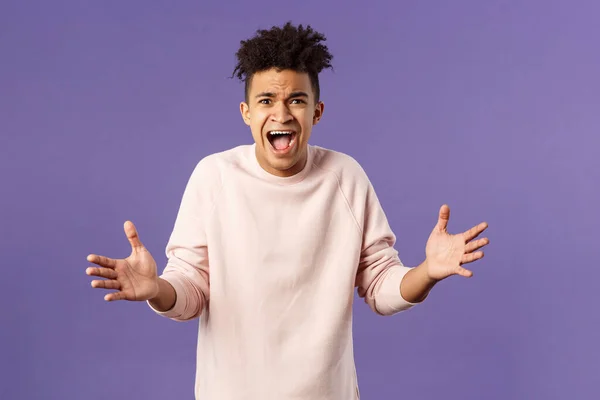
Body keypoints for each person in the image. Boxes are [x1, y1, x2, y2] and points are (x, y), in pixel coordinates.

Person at [85, 22, 489, 400]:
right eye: (266, 100)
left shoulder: (345, 178)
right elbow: (191, 293)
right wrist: (157, 289)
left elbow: (381, 285)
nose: (281, 114)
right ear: (247, 113)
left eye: (296, 100)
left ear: (317, 111)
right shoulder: (213, 177)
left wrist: (427, 272)